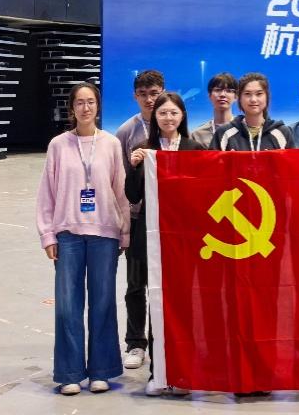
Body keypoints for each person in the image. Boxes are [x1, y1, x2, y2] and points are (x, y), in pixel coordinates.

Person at [36, 82, 130, 395]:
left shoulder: (111, 144)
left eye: (90, 102)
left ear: (98, 106)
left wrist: (124, 232)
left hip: (104, 235)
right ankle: (70, 373)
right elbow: (47, 193)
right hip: (68, 236)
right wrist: (48, 234)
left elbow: (120, 192)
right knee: (67, 306)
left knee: (102, 304)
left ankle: (102, 370)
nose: (85, 108)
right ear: (72, 108)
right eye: (80, 102)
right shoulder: (58, 145)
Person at [125, 91, 204, 396]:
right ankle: (158, 373)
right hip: (151, 238)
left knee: (181, 305)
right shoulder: (145, 150)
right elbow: (133, 196)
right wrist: (134, 166)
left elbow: (204, 196)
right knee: (155, 301)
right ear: (155, 118)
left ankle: (182, 373)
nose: (168, 118)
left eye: (173, 112)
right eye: (163, 113)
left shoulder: (195, 150)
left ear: (182, 116)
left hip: (184, 241)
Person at [115, 69, 164, 370]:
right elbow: (120, 182)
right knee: (136, 284)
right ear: (135, 96)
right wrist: (124, 224)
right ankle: (135, 343)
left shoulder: (170, 126)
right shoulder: (125, 132)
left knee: (163, 286)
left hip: (166, 221)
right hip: (137, 220)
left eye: (154, 93)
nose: (149, 99)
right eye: (143, 94)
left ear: (163, 93)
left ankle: (161, 341)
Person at [211, 72, 295, 151]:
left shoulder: (282, 132)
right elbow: (212, 162)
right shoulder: (223, 133)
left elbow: (291, 162)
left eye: (259, 94)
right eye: (247, 94)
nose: (253, 99)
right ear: (239, 98)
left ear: (267, 97)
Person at [190, 72, 237, 149]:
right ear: (209, 95)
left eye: (228, 91)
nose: (222, 94)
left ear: (236, 97)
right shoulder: (197, 135)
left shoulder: (244, 130)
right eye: (217, 90)